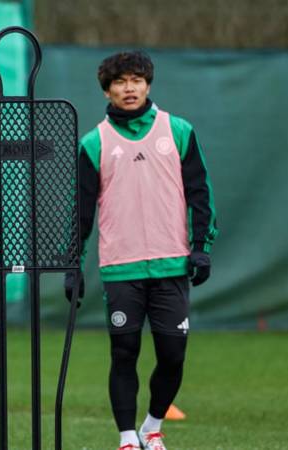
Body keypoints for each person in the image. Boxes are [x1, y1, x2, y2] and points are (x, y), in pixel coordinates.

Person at [72, 51, 217, 450]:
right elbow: (81, 211)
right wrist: (73, 266)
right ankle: (126, 439)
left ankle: (152, 427)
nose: (129, 87)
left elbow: (200, 194)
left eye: (136, 80)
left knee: (172, 355)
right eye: (120, 82)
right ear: (107, 90)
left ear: (148, 84)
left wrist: (201, 248)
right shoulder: (94, 142)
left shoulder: (179, 130)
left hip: (172, 265)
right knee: (124, 352)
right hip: (122, 268)